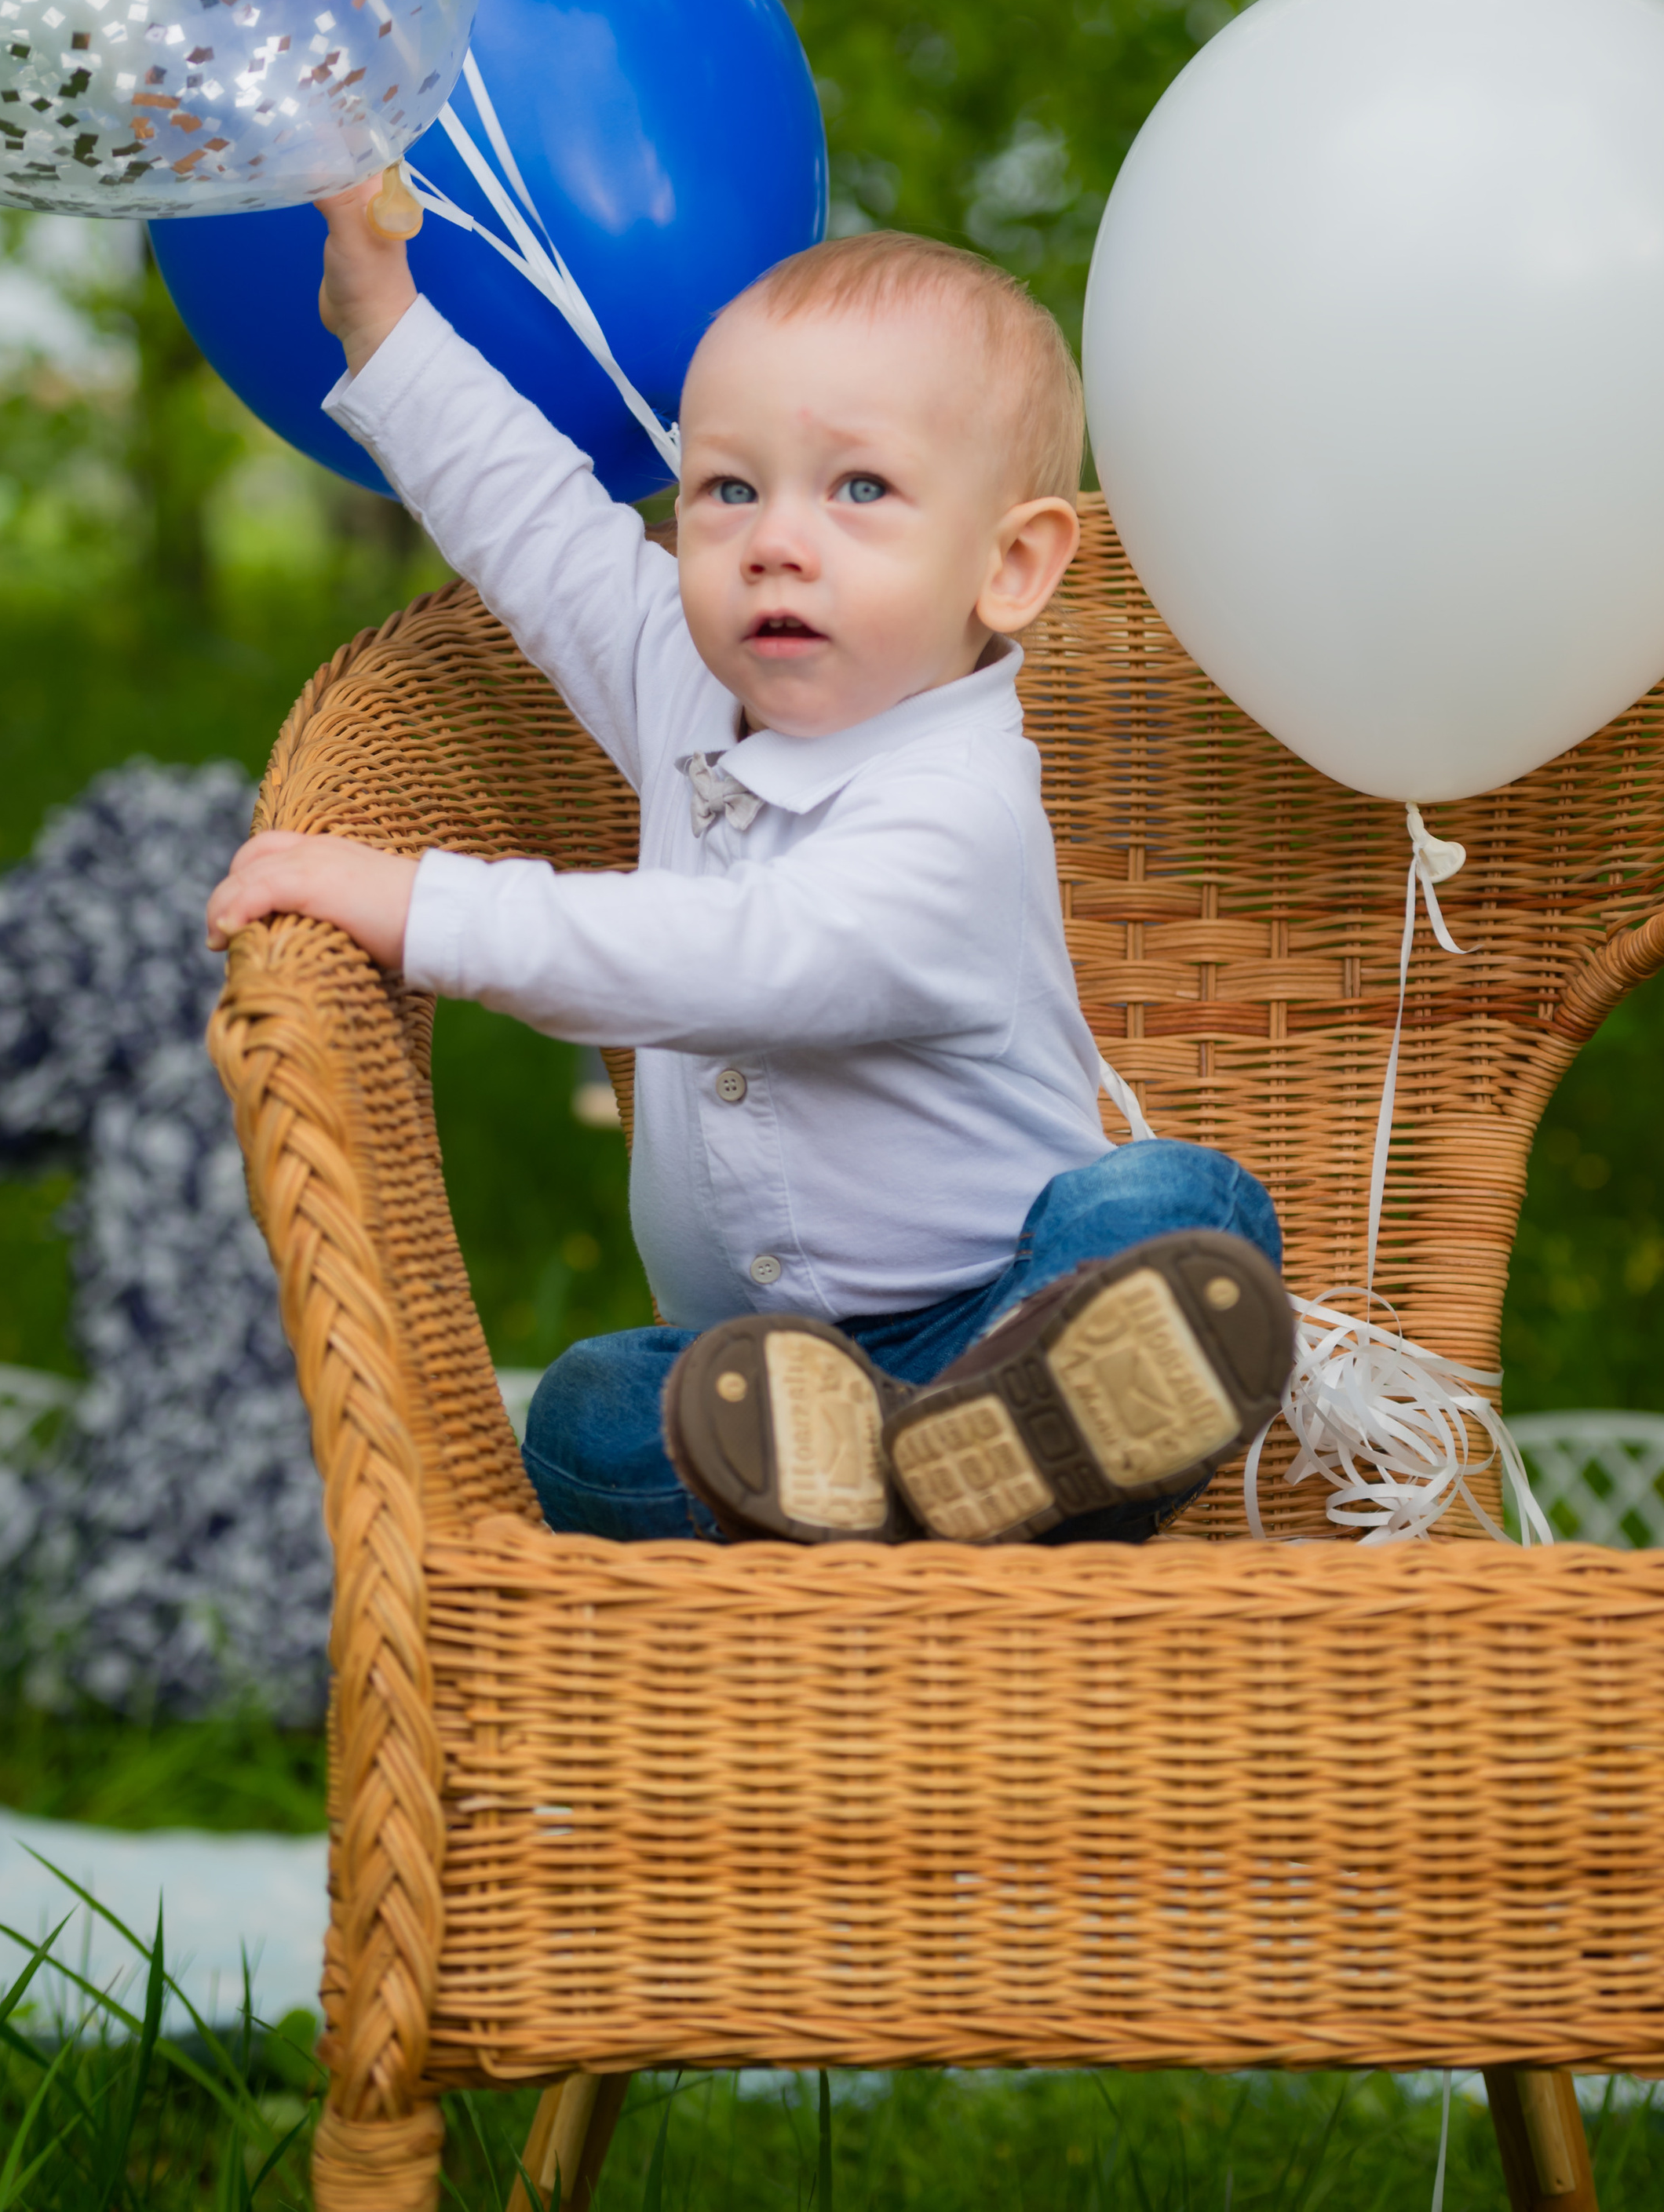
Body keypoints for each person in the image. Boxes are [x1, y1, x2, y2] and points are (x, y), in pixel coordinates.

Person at [206, 172, 1295, 1547]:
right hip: (770, 1385)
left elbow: (740, 958)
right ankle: (907, 1489)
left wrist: (424, 905)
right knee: (594, 1408)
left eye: (860, 488)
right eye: (727, 486)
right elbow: (534, 527)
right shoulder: (684, 671)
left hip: (1011, 1310)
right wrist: (381, 319)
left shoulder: (952, 807)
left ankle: (982, 1448)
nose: (775, 541)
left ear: (1008, 566)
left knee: (1179, 1208)